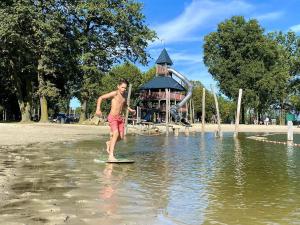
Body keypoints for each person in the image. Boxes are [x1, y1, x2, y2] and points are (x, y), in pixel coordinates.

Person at [95, 79, 136, 161]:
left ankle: (109, 143)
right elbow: (101, 98)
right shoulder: (115, 93)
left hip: (120, 118)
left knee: (121, 137)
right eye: (122, 87)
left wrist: (131, 110)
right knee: (116, 133)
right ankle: (111, 155)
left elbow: (124, 105)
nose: (123, 89)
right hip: (112, 117)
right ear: (118, 86)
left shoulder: (124, 95)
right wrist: (98, 109)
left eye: (125, 88)